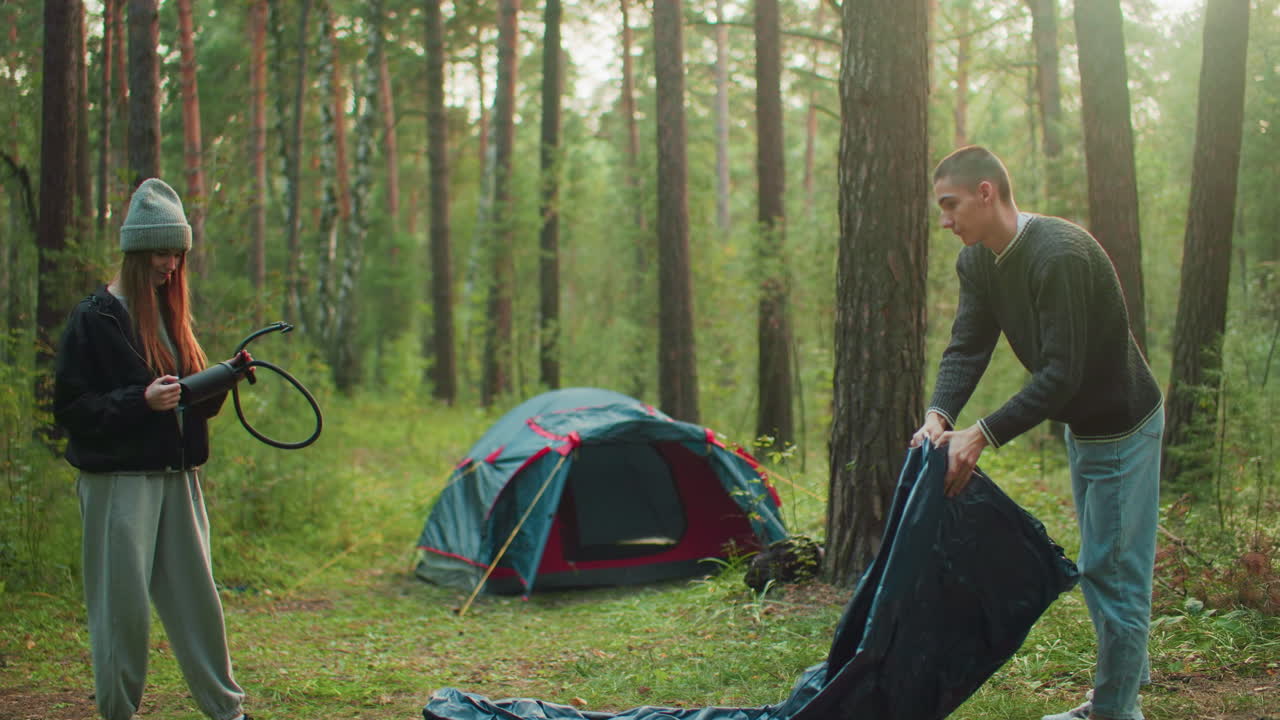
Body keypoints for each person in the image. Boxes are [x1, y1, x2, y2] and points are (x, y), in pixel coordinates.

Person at [910, 146, 1164, 720]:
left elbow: (1061, 374)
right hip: (1086, 427)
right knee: (1107, 565)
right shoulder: (977, 261)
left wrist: (981, 434)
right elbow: (967, 345)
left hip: (1125, 427)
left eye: (950, 205)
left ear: (986, 193)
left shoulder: (1060, 255)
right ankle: (1120, 694)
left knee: (1112, 571)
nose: (944, 220)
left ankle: (1116, 712)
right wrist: (939, 416)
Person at [54, 178, 252, 720]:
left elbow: (189, 406)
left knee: (197, 602)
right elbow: (72, 412)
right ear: (138, 253)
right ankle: (119, 712)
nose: (171, 265)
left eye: (178, 254)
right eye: (163, 253)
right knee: (122, 611)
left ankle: (226, 711)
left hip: (178, 479)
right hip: (119, 485)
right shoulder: (93, 318)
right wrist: (141, 401)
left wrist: (223, 378)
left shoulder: (171, 317)